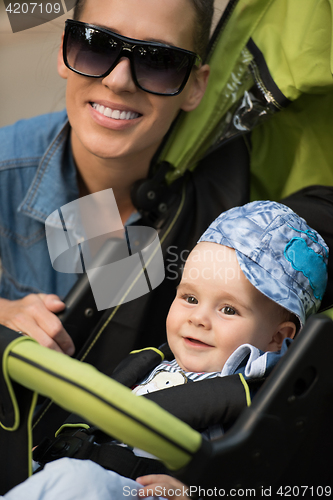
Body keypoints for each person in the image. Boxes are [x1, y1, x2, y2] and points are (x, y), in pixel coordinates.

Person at [2, 200, 328, 500]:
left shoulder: (265, 400)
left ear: (276, 338)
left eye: (228, 309)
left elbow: (269, 483)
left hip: (128, 490)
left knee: (77, 480)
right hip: (68, 472)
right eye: (190, 298)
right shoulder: (151, 365)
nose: (198, 318)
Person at [0, 0, 212, 355]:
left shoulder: (225, 204)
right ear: (65, 50)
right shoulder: (7, 164)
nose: (118, 81)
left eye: (158, 60)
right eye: (96, 45)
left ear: (195, 86)